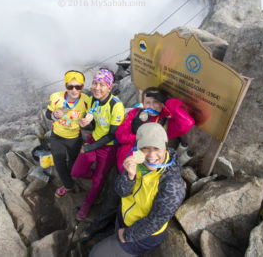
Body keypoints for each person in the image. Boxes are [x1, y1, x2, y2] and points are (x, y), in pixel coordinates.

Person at [81, 86, 194, 239]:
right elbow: (120, 136)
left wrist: (168, 101)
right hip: (124, 167)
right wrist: (134, 131)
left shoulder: (165, 122)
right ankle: (95, 228)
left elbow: (187, 123)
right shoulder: (135, 114)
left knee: (131, 204)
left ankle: (114, 230)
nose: (152, 106)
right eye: (148, 102)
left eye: (157, 102)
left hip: (146, 174)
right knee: (111, 200)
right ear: (142, 103)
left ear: (162, 104)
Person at [89, 122, 186, 256]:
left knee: (95, 254)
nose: (151, 155)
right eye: (145, 148)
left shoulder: (172, 184)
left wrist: (127, 235)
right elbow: (121, 191)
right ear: (138, 148)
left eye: (157, 148)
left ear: (166, 147)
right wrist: (129, 176)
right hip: (124, 218)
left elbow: (155, 221)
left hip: (143, 236)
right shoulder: (138, 158)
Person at [71, 68, 125, 219]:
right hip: (94, 138)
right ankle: (98, 179)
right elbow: (91, 115)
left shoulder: (116, 105)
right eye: (95, 83)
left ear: (110, 87)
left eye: (102, 84)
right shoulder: (93, 99)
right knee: (77, 172)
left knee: (97, 181)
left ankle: (88, 203)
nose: (97, 87)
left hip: (108, 147)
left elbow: (113, 133)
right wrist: (84, 123)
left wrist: (90, 147)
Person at [46, 70, 89, 197]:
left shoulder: (86, 101)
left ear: (82, 86)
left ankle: (70, 177)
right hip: (57, 136)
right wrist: (53, 115)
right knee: (59, 163)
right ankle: (69, 185)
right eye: (70, 86)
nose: (74, 90)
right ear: (66, 86)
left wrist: (87, 123)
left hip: (74, 138)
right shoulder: (55, 97)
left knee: (73, 162)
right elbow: (47, 113)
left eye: (78, 86)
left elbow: (92, 119)